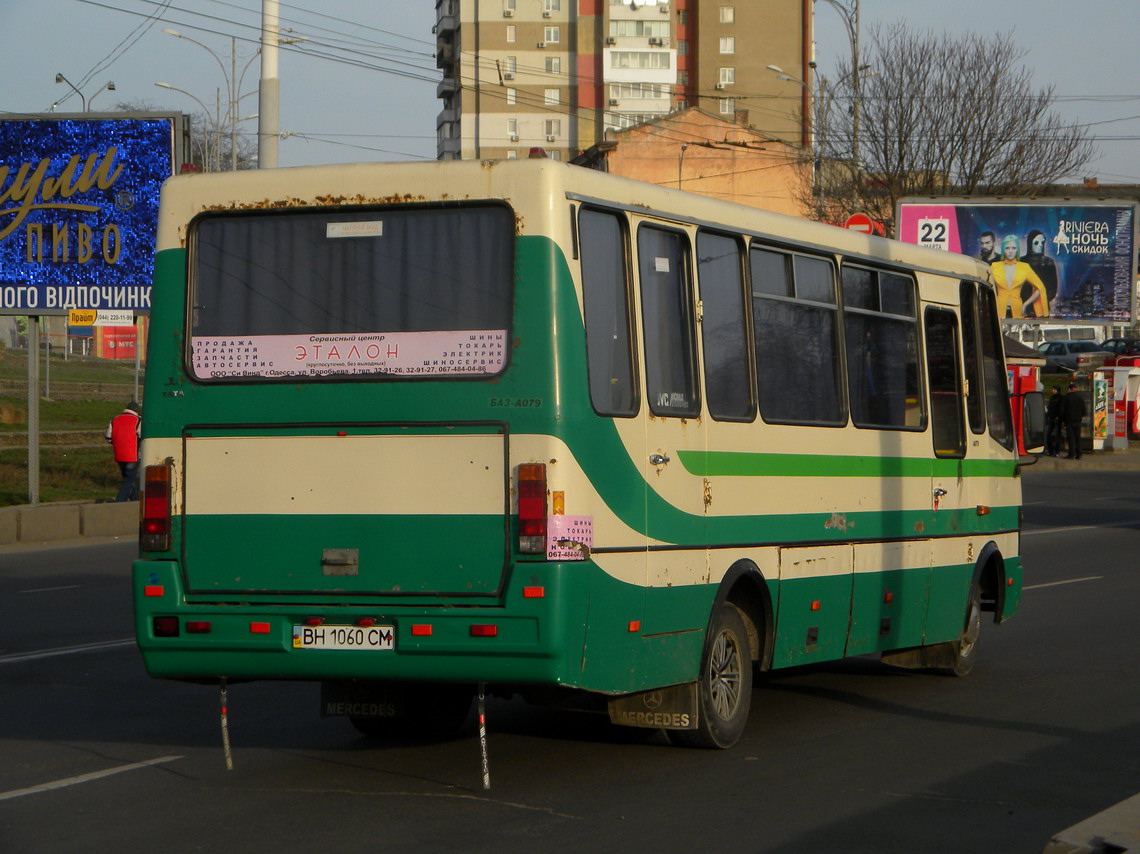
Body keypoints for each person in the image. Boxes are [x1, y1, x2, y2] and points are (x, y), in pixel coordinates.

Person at [990, 235, 1049, 318]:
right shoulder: (994, 266)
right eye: (1007, 248)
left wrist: (1025, 304)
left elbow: (1040, 287)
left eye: (1013, 248)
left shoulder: (1024, 267)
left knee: (1016, 330)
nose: (1010, 251)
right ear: (1003, 249)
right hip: (998, 309)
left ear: (1017, 249)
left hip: (1017, 310)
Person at [106, 401, 142, 501]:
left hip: (119, 454)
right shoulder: (138, 420)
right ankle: (120, 501)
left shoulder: (115, 420)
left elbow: (108, 436)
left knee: (127, 478)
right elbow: (141, 436)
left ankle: (135, 501)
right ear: (137, 411)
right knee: (129, 480)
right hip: (132, 455)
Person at [1022, 229, 1060, 313]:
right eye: (1036, 242)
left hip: (1042, 309)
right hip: (1022, 309)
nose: (1040, 245)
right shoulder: (1021, 261)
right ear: (1030, 243)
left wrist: (1041, 300)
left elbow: (1053, 289)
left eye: (1042, 243)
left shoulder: (1049, 262)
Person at [1061, 382, 1086, 460]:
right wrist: (1080, 416)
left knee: (1070, 438)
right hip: (1078, 421)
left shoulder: (1066, 398)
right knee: (1078, 437)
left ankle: (1071, 454)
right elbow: (1084, 410)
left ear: (1069, 389)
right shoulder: (1080, 398)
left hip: (1069, 421)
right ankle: (1079, 453)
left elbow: (1062, 410)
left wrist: (1063, 420)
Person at [1044, 385, 1064, 456]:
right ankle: (1051, 450)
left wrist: (1059, 416)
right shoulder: (1052, 398)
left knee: (1056, 435)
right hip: (1051, 418)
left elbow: (1061, 408)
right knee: (1049, 435)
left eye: (1054, 389)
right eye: (1052, 389)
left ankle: (1056, 451)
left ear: (1057, 390)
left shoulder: (1060, 398)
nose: (1053, 390)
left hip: (1056, 419)